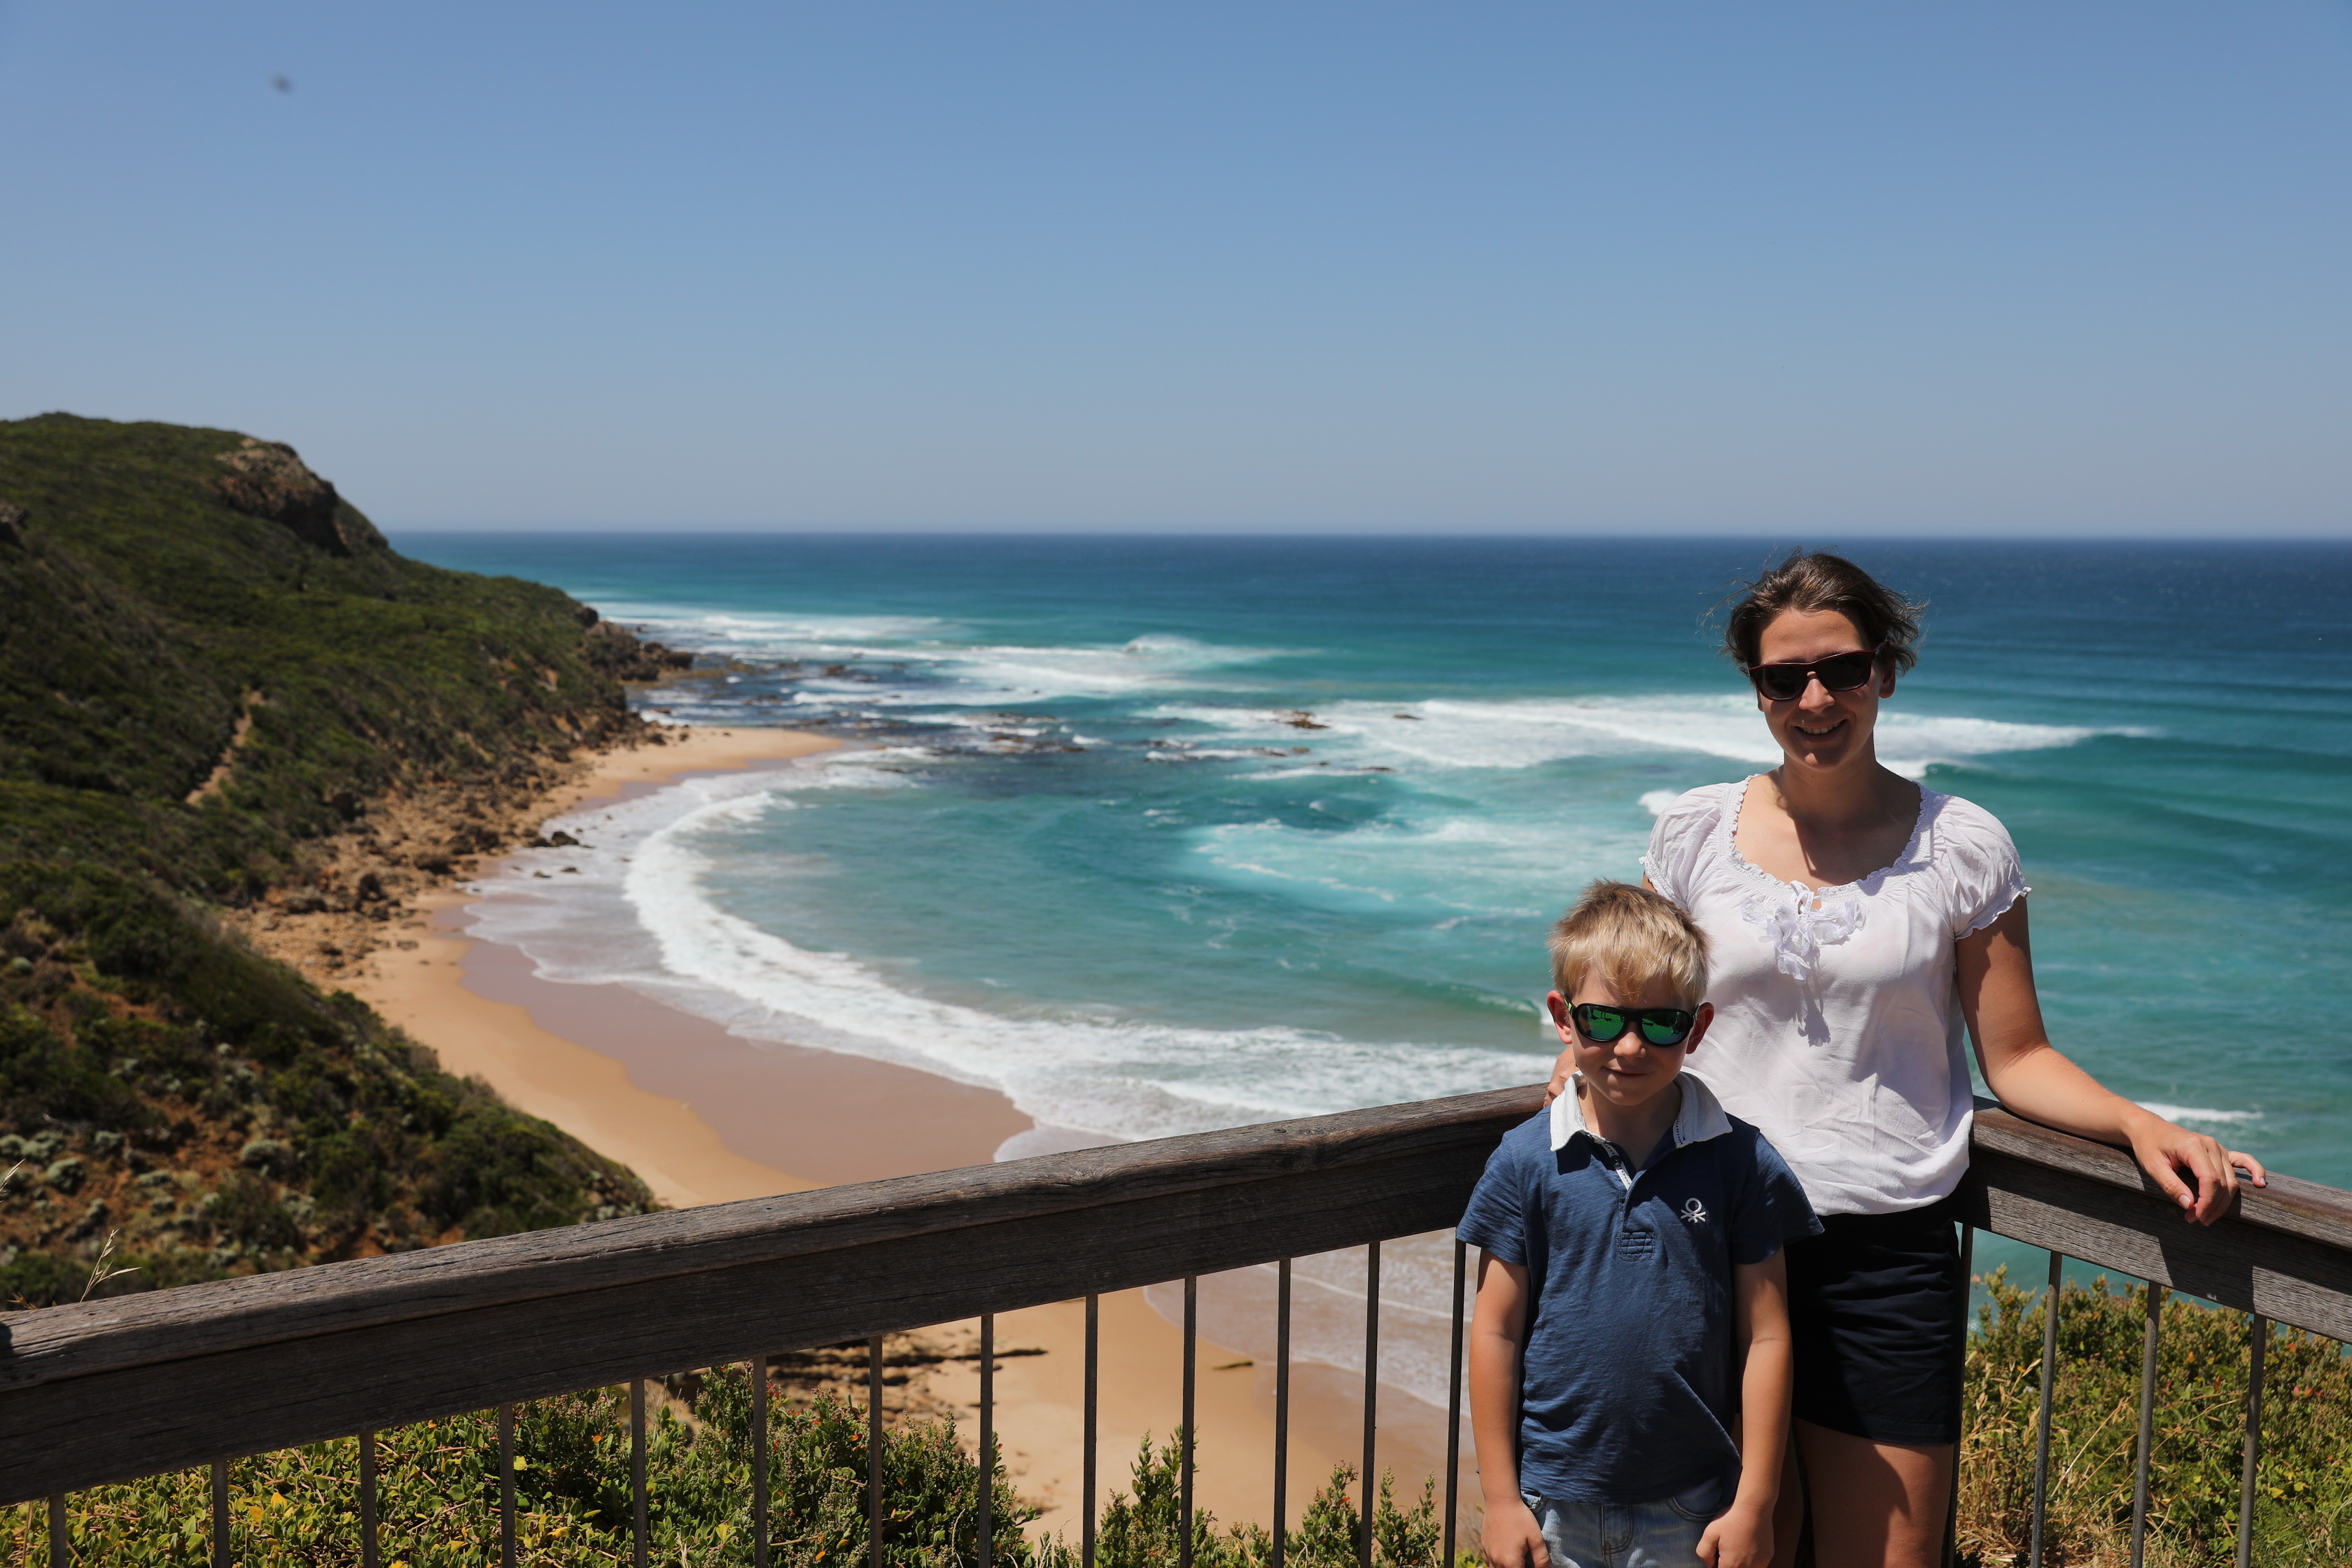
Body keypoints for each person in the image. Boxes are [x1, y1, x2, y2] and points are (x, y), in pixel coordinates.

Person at [1544, 550, 2269, 1568]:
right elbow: (1633, 1004)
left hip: (1884, 1255)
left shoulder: (1962, 846)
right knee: (1717, 1551)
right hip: (1702, 1236)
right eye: (1784, 677)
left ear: (1885, 670)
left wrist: (2139, 1124)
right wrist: (1571, 1081)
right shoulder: (1695, 832)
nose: (1815, 699)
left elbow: (2017, 1056)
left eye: (1842, 669)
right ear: (1756, 689)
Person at [1464, 881, 1821, 1568]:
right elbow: (1495, 1331)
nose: (1629, 1046)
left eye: (1660, 1023)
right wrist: (1502, 1501)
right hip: (1551, 1501)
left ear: (1698, 1027)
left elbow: (1768, 1337)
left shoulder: (1741, 1161)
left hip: (1693, 1503)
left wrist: (1755, 1503)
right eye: (1603, 1020)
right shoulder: (1525, 1160)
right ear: (1564, 1018)